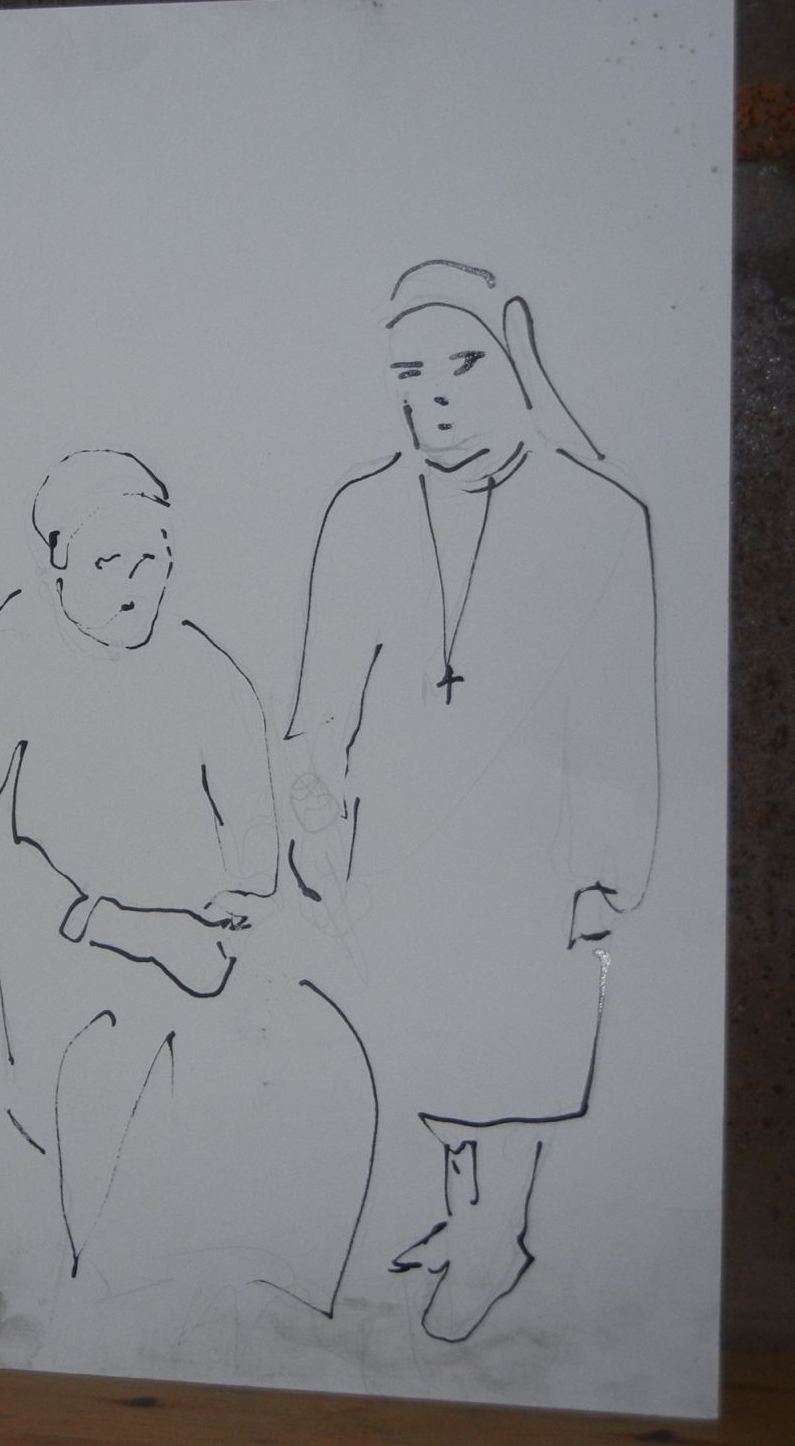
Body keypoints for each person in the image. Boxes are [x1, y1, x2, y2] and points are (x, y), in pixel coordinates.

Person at [284, 259, 658, 1341]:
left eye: (463, 365)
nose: (435, 397)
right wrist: (315, 824)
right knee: (422, 1034)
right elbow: (319, 704)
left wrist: (609, 868)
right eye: (410, 374)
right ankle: (464, 1215)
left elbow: (625, 719)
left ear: (513, 364)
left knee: (514, 1043)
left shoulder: (600, 515)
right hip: (402, 829)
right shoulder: (360, 511)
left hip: (534, 839)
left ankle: (499, 1238)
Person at [0, 451, 369, 1306]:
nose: (135, 587)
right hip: (64, 942)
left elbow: (253, 822)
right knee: (120, 1063)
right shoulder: (4, 658)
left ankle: (278, 1283)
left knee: (314, 1045)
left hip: (197, 936)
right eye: (108, 563)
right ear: (58, 564)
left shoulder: (203, 668)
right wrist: (125, 927)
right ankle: (120, 1290)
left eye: (151, 562)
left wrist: (246, 890)